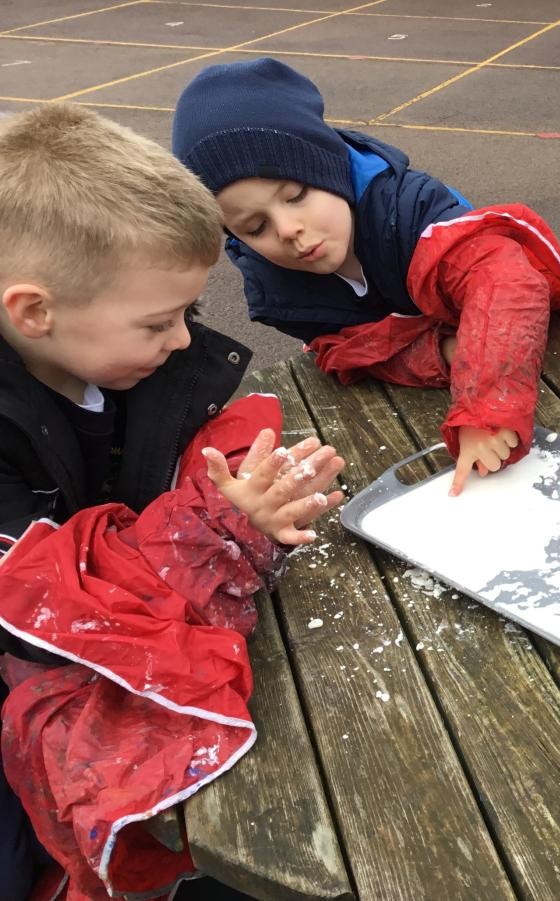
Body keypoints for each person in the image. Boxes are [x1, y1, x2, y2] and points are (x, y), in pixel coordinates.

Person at [0, 104, 344, 898]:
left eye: (188, 313)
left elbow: (206, 451)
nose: (187, 340)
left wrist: (249, 491)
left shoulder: (138, 363)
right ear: (34, 311)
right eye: (160, 321)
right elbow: (40, 607)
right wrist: (214, 527)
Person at [172, 58, 560, 497]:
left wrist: (486, 414)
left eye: (296, 195)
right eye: (255, 227)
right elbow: (342, 351)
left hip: (529, 362)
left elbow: (507, 283)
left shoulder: (413, 215)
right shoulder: (278, 289)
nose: (287, 230)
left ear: (330, 167)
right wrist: (440, 351)